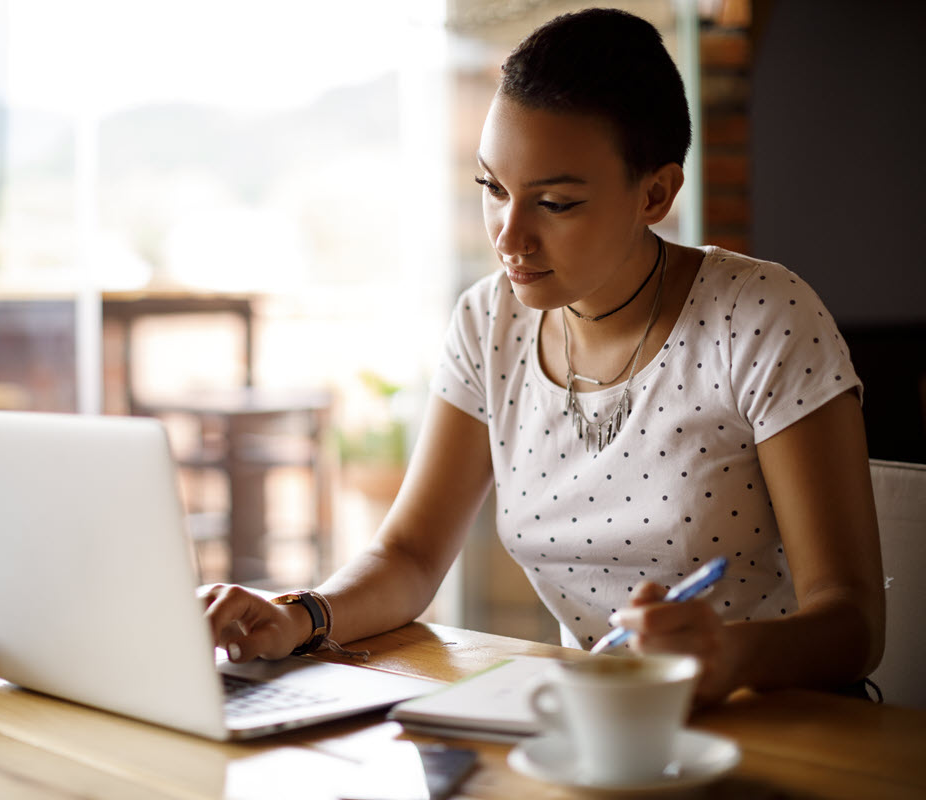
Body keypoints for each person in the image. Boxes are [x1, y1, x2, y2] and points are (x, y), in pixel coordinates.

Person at [201, 8, 884, 706]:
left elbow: (853, 624)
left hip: (779, 724)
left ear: (657, 193)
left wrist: (727, 654)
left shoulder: (763, 317)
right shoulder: (487, 321)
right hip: (596, 726)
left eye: (555, 203)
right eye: (494, 189)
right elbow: (408, 556)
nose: (510, 237)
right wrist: (301, 615)